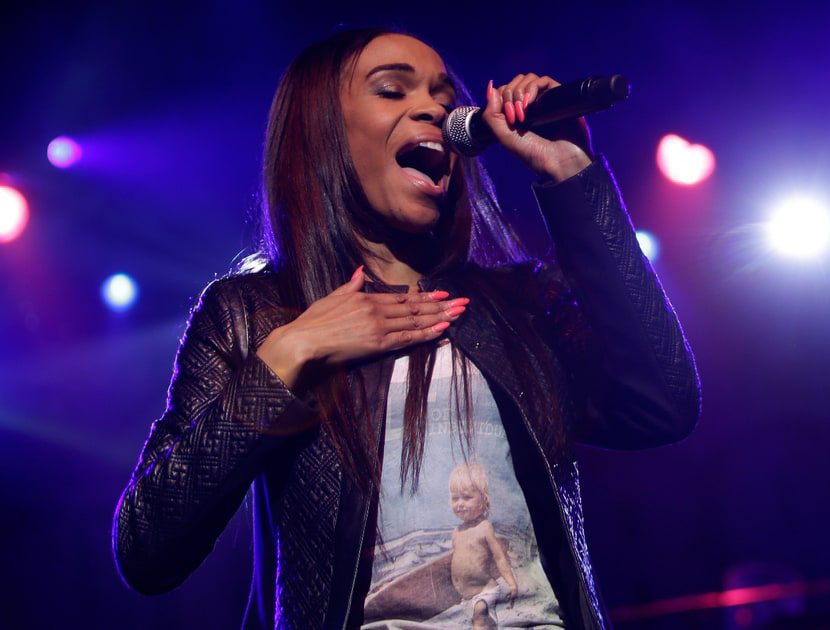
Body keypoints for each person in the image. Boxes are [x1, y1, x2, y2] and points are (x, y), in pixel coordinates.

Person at [112, 26, 700, 630]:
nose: (434, 109)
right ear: (321, 131)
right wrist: (290, 353)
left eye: (444, 98)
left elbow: (663, 406)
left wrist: (572, 175)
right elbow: (147, 549)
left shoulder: (519, 304)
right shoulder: (254, 315)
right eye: (392, 90)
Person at [447, 462, 519, 630]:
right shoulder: (456, 532)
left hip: (485, 591)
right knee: (479, 621)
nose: (460, 503)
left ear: (483, 501)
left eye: (467, 497)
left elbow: (499, 557)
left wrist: (511, 582)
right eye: (455, 498)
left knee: (479, 612)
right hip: (465, 597)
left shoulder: (484, 527)